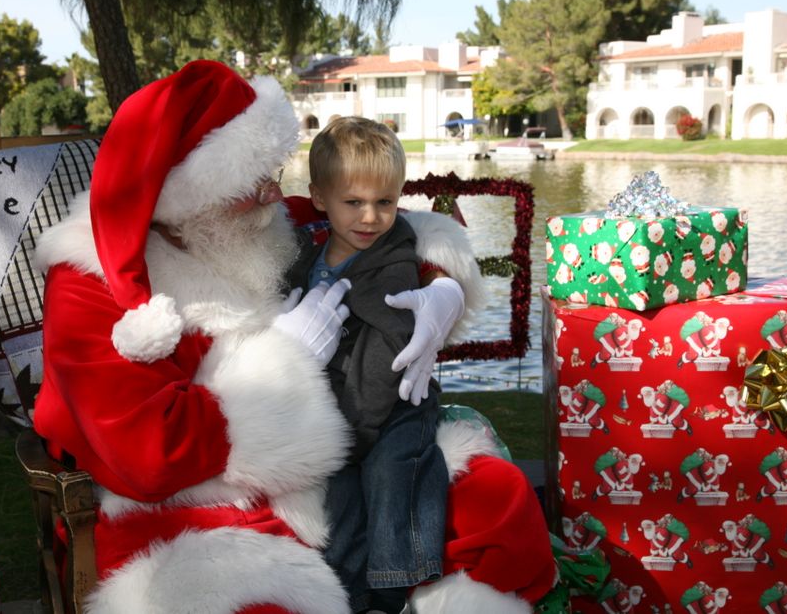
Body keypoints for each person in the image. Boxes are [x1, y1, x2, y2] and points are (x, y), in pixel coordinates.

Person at [32, 60, 556, 613]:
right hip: (198, 507)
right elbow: (149, 454)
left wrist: (443, 286)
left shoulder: (263, 219)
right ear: (180, 193)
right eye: (248, 183)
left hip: (344, 463)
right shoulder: (87, 285)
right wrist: (286, 362)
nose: (269, 197)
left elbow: (390, 219)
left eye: (272, 173)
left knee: (500, 501)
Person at [284, 117, 450, 613]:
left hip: (392, 405)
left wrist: (358, 428)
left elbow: (390, 352)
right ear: (319, 198)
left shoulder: (390, 262)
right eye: (353, 203)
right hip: (338, 404)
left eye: (385, 202)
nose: (371, 218)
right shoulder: (307, 253)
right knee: (338, 497)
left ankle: (393, 585)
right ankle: (348, 591)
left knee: (392, 475)